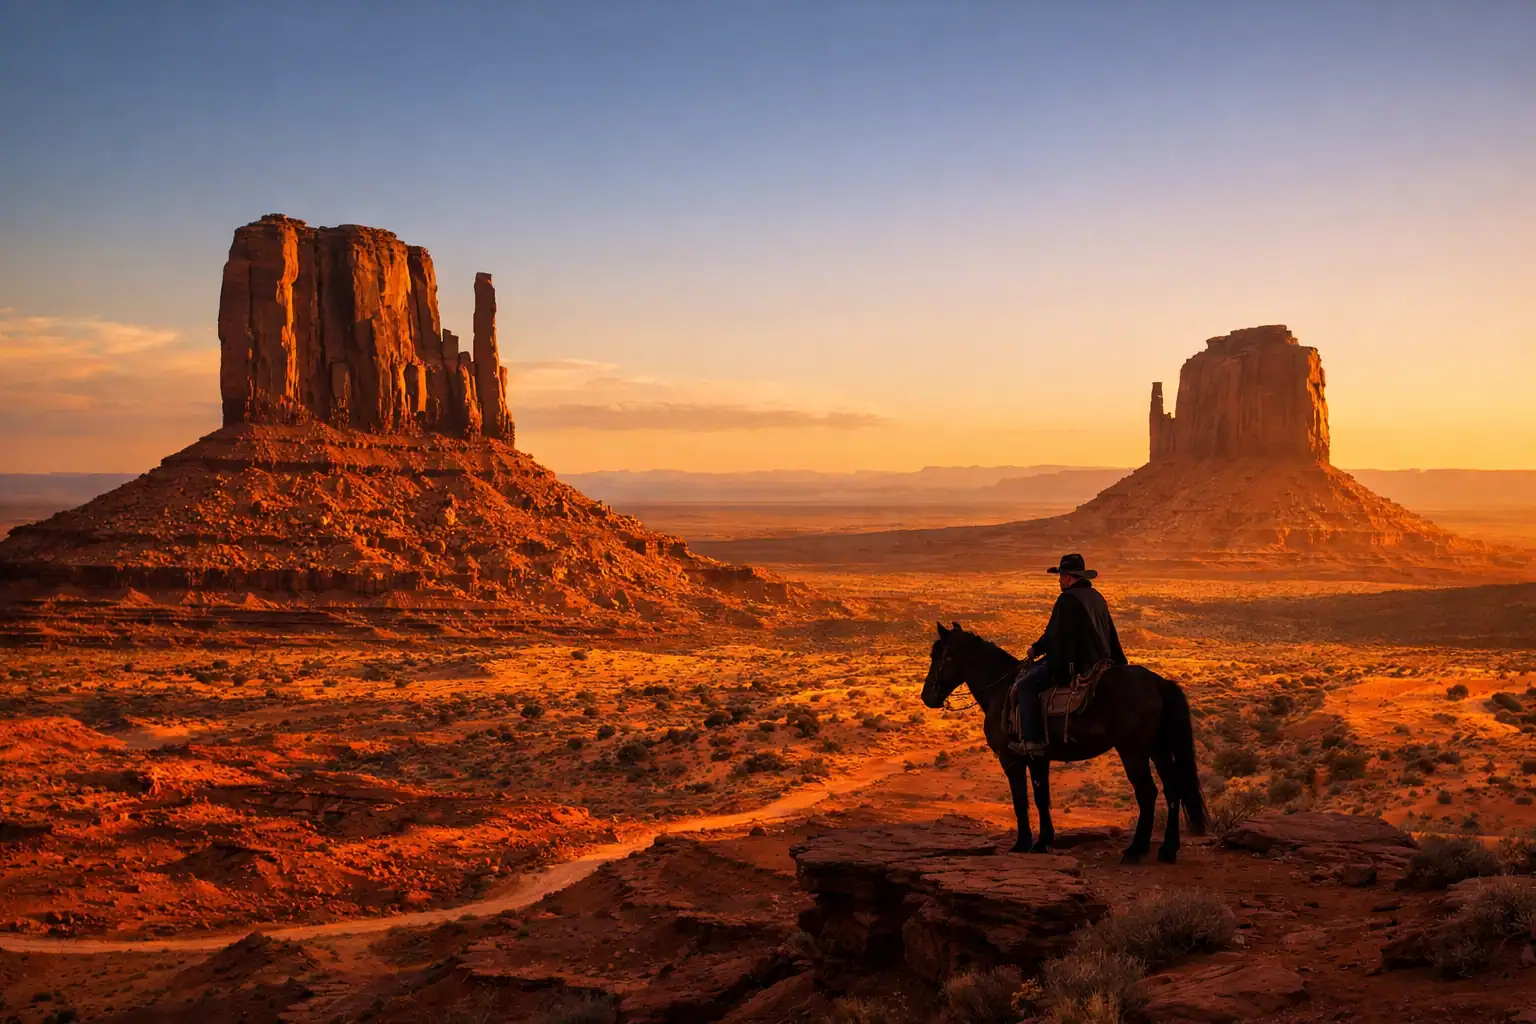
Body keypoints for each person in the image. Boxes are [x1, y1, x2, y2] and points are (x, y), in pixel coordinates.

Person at [1009, 553, 1127, 756]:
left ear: (1069, 577)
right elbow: (1110, 631)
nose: (1059, 580)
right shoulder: (1097, 597)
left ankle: (1032, 741)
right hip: (1102, 662)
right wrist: (1119, 662)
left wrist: (1035, 649)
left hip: (1077, 663)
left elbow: (1053, 635)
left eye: (1061, 575)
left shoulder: (1067, 600)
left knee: (1026, 684)